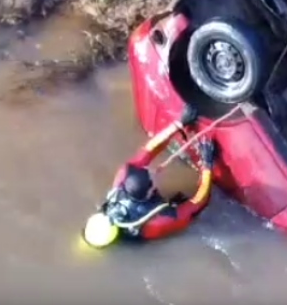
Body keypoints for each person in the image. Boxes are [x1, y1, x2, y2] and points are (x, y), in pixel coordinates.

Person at [82, 105, 217, 248]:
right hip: (140, 229)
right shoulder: (158, 221)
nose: (153, 172)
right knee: (187, 214)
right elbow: (198, 204)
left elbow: (149, 149)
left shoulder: (125, 173)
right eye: (152, 179)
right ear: (150, 192)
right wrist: (207, 166)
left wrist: (178, 124)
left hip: (119, 221)